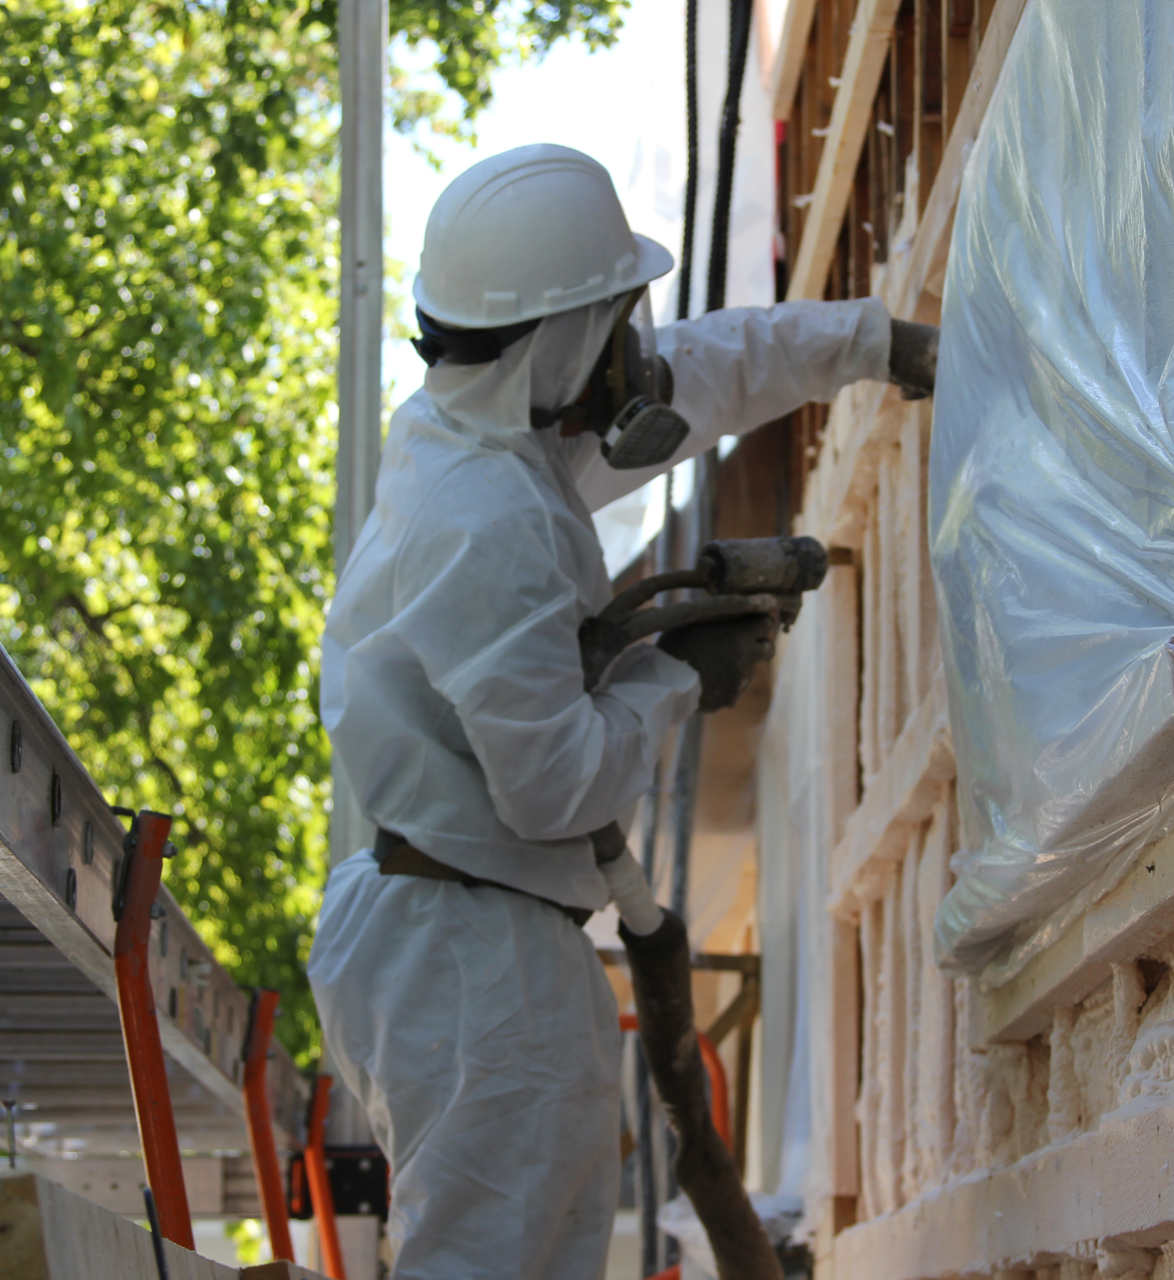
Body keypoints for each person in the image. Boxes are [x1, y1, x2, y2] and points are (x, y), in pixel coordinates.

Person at [306, 143, 937, 1280]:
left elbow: (701, 374)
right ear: (553, 339)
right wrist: (682, 676)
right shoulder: (489, 518)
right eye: (615, 321)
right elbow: (555, 788)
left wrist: (869, 345)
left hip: (457, 924)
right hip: (471, 944)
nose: (634, 349)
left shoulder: (488, 439)